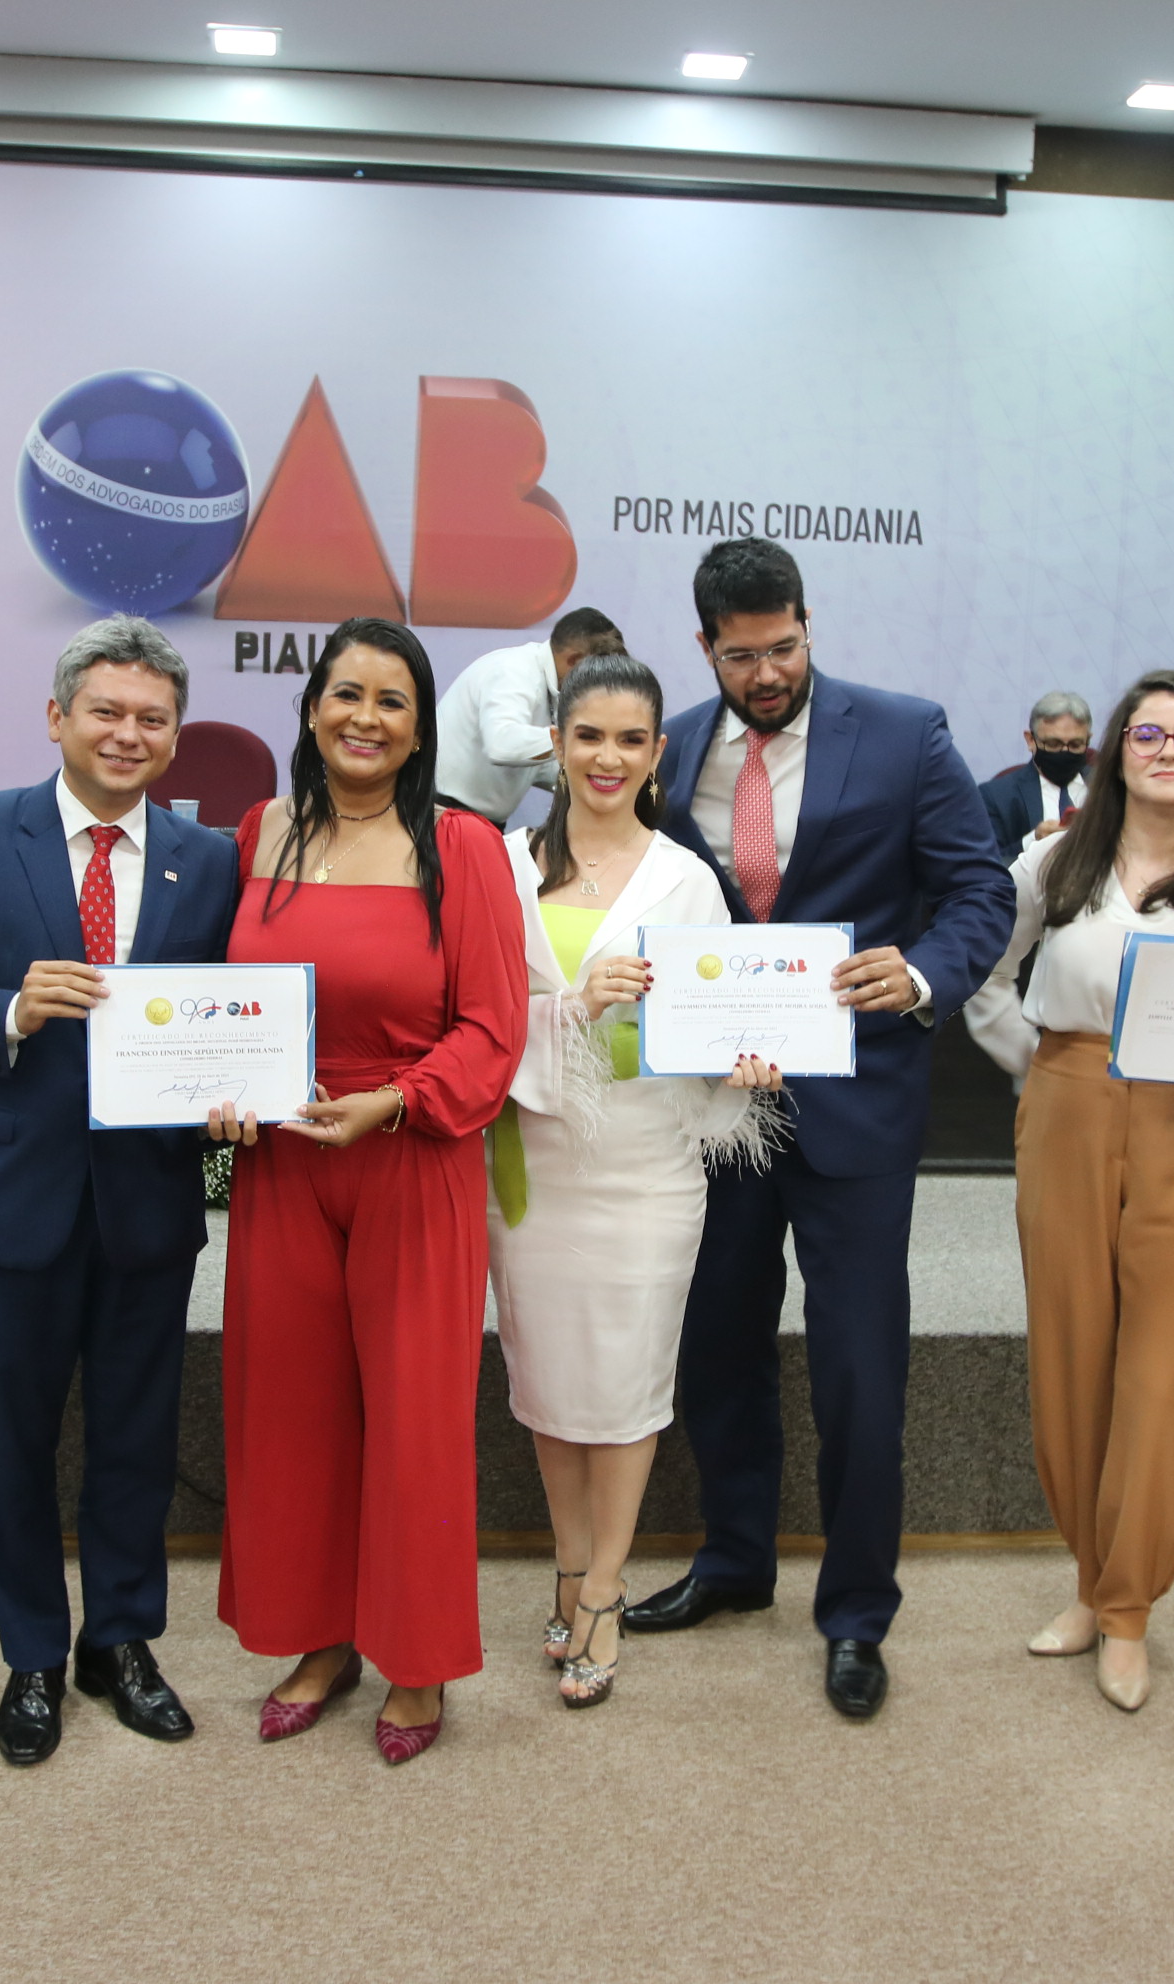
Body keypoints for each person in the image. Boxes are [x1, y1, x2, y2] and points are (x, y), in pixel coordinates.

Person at [620, 537, 1016, 1720]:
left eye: (784, 648)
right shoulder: (669, 744)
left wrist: (924, 974)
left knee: (858, 1368)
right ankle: (736, 1559)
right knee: (717, 1346)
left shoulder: (905, 733)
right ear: (706, 648)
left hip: (857, 1103)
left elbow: (980, 888)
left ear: (808, 624)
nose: (767, 673)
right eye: (742, 656)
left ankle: (855, 1611)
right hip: (714, 1105)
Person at [0, 615, 240, 1766]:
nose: (128, 734)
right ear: (56, 717)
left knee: (135, 1440)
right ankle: (31, 1653)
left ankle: (120, 1641)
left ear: (175, 736)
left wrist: (235, 1085)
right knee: (14, 1445)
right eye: (106, 711)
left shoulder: (208, 858)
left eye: (152, 719)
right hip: (5, 1198)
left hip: (148, 1202)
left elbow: (235, 1012)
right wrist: (10, 1011)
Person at [962, 671, 1174, 1714]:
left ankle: (1127, 1611)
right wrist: (1036, 1070)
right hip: (1067, 1105)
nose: (1168, 750)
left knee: (1161, 1369)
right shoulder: (1052, 863)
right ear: (1115, 751)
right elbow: (986, 973)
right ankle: (1090, 1577)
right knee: (1071, 1350)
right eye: (1148, 733)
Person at [205, 618, 524, 1765]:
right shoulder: (262, 830)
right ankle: (323, 1638)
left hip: (410, 1152)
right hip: (284, 1160)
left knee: (413, 1417)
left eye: (394, 701)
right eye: (347, 693)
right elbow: (222, 1003)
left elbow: (493, 1026)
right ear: (311, 706)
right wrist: (216, 1089)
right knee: (292, 1410)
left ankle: (417, 1657)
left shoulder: (462, 846)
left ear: (422, 729)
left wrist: (392, 1101)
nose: (366, 718)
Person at [487, 651, 784, 1709]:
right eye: (587, 736)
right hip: (534, 1164)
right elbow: (472, 1021)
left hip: (647, 1165)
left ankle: (606, 1586)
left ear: (658, 752)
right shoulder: (501, 867)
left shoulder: (686, 879)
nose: (606, 758)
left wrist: (745, 1058)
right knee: (548, 1384)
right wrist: (572, 1005)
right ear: (555, 745)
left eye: (628, 740)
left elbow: (713, 1024)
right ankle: (569, 1566)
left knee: (625, 1384)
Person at [434, 606, 626, 824]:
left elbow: (537, 760)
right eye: (596, 673)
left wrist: (597, 776)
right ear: (573, 660)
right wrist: (578, 738)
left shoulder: (550, 684)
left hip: (472, 821)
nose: (597, 686)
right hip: (444, 817)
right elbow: (502, 745)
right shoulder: (514, 671)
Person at [979, 691, 1094, 847]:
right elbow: (989, 859)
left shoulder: (1112, 788)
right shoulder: (996, 797)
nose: (1064, 752)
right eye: (1053, 744)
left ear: (1088, 740)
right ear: (1030, 740)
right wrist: (1033, 840)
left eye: (1075, 745)